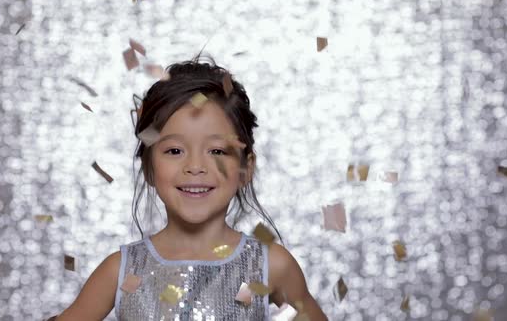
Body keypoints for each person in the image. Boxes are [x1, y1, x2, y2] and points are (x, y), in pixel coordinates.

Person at [54, 56, 328, 320]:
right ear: (148, 167)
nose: (195, 166)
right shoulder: (120, 271)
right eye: (174, 150)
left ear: (246, 168)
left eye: (217, 151)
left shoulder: (271, 267)